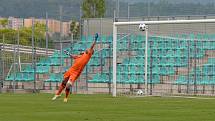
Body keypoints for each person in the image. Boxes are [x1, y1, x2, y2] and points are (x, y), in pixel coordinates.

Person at [52, 33, 98, 102]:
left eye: (90, 50)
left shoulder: (88, 55)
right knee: (64, 82)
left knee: (68, 85)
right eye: (88, 49)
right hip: (71, 70)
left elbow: (92, 46)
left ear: (91, 53)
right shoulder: (81, 55)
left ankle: (66, 98)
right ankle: (58, 94)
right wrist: (68, 54)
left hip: (76, 72)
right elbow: (73, 56)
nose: (88, 49)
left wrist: (95, 40)